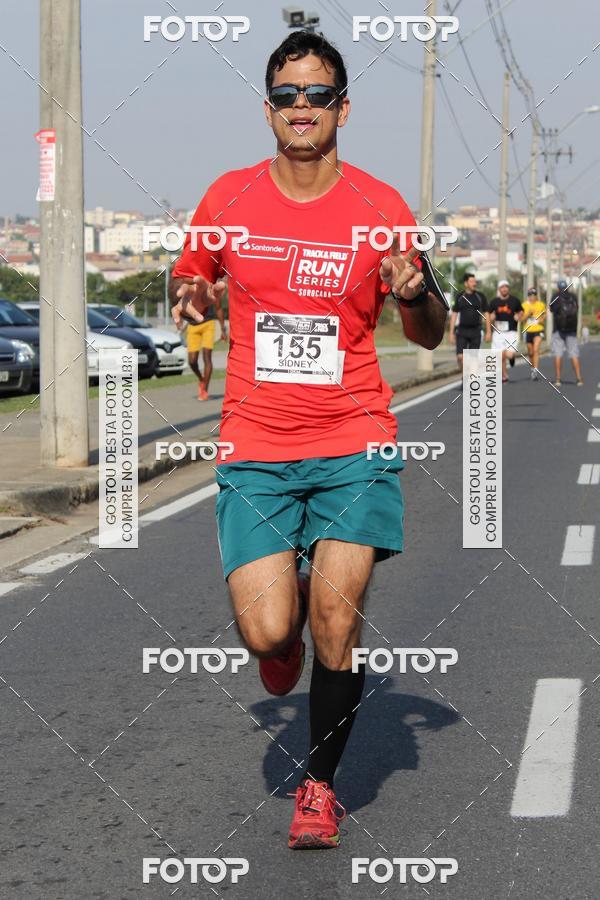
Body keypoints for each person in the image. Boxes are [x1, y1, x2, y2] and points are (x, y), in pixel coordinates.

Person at [168, 31, 447, 849]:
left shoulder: (381, 207)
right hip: (256, 440)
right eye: (288, 94)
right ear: (268, 109)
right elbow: (190, 277)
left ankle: (318, 788)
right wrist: (188, 296)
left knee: (336, 622)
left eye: (318, 94)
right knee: (267, 633)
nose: (302, 107)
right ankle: (280, 636)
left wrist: (417, 289)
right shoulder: (228, 198)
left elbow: (429, 334)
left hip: (354, 437)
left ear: (343, 108)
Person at [185, 299, 227, 400]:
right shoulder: (189, 286)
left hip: (208, 324)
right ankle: (202, 379)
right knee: (192, 361)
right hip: (192, 325)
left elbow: (218, 308)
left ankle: (204, 390)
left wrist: (223, 329)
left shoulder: (211, 288)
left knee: (206, 356)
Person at [448, 273, 490, 370]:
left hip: (476, 331)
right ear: (466, 283)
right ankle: (465, 374)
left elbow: (486, 314)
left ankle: (470, 380)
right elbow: (454, 315)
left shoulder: (480, 296)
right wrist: (451, 333)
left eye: (475, 282)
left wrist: (488, 332)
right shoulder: (460, 296)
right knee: (460, 357)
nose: (474, 284)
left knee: (473, 358)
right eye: (472, 282)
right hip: (462, 331)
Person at [488, 280, 523, 382]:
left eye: (506, 287)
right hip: (498, 333)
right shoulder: (494, 302)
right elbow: (488, 315)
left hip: (511, 332)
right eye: (502, 287)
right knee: (501, 355)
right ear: (499, 289)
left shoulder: (514, 300)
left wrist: (519, 316)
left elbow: (521, 311)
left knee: (509, 355)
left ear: (508, 288)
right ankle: (504, 375)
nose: (504, 289)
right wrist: (492, 317)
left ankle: (512, 358)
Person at [551, 279, 583, 386]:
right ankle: (579, 378)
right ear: (567, 287)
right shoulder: (573, 297)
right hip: (572, 330)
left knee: (558, 354)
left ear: (558, 288)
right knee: (574, 354)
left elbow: (551, 310)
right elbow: (576, 308)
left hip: (558, 330)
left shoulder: (555, 296)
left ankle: (558, 379)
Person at [520, 287, 546, 380]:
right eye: (530, 295)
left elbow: (544, 316)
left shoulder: (541, 305)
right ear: (528, 296)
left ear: (536, 296)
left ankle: (535, 370)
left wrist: (541, 320)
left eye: (534, 295)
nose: (532, 297)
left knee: (535, 350)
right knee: (530, 352)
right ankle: (532, 368)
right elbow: (521, 319)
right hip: (527, 330)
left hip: (538, 330)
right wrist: (527, 314)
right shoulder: (524, 305)